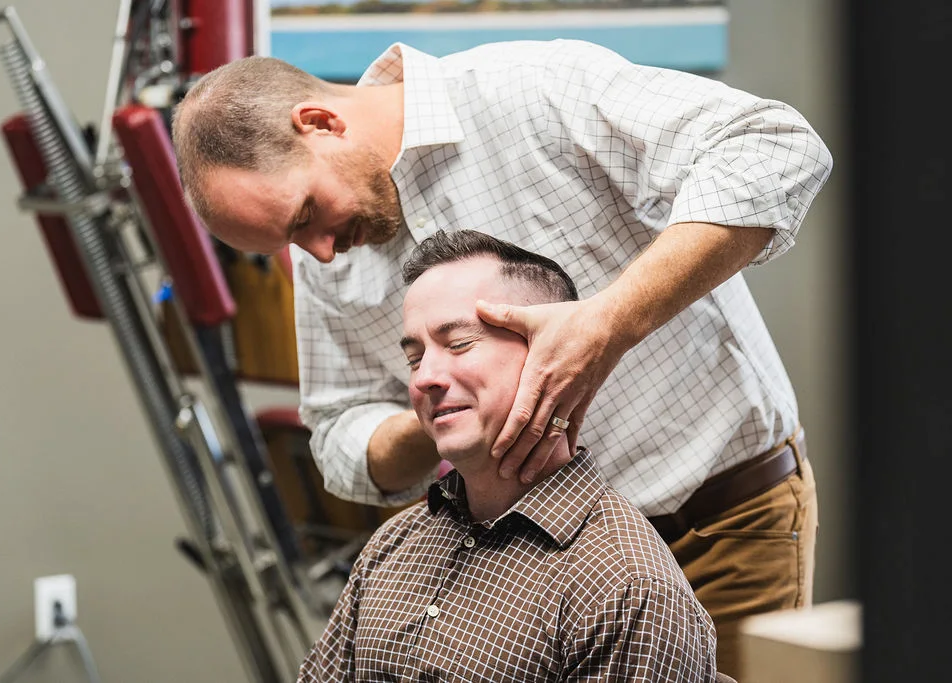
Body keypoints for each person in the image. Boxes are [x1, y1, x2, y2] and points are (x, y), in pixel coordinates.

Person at [170, 38, 831, 676]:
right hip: (520, 566)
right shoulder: (331, 250)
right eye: (291, 243)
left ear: (318, 122)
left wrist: (610, 321)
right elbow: (339, 433)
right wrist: (435, 408)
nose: (317, 254)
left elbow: (776, 148)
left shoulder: (534, 92)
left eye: (307, 215)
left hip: (714, 522)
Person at [297, 228, 719, 682]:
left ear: (553, 354)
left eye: (458, 343)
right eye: (415, 359)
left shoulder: (626, 589)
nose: (425, 379)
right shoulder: (391, 546)